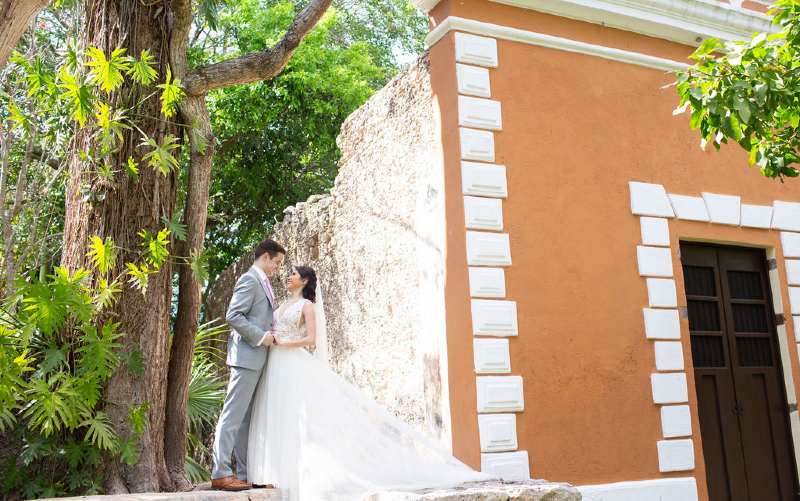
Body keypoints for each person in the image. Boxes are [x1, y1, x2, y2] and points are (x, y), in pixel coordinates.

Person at [247, 265, 491, 500]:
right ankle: (277, 473)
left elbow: (311, 340)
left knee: (298, 418)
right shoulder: (280, 306)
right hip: (275, 364)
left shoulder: (306, 306)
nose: (288, 277)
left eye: (294, 274)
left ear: (305, 281)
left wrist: (282, 343)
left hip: (291, 362)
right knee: (279, 415)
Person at [210, 238, 286, 491]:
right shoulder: (249, 279)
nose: (278, 268)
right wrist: (262, 336)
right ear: (265, 257)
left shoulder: (264, 283)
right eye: (277, 262)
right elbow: (233, 315)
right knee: (232, 417)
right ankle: (220, 472)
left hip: (258, 359)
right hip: (246, 358)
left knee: (245, 421)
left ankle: (245, 473)